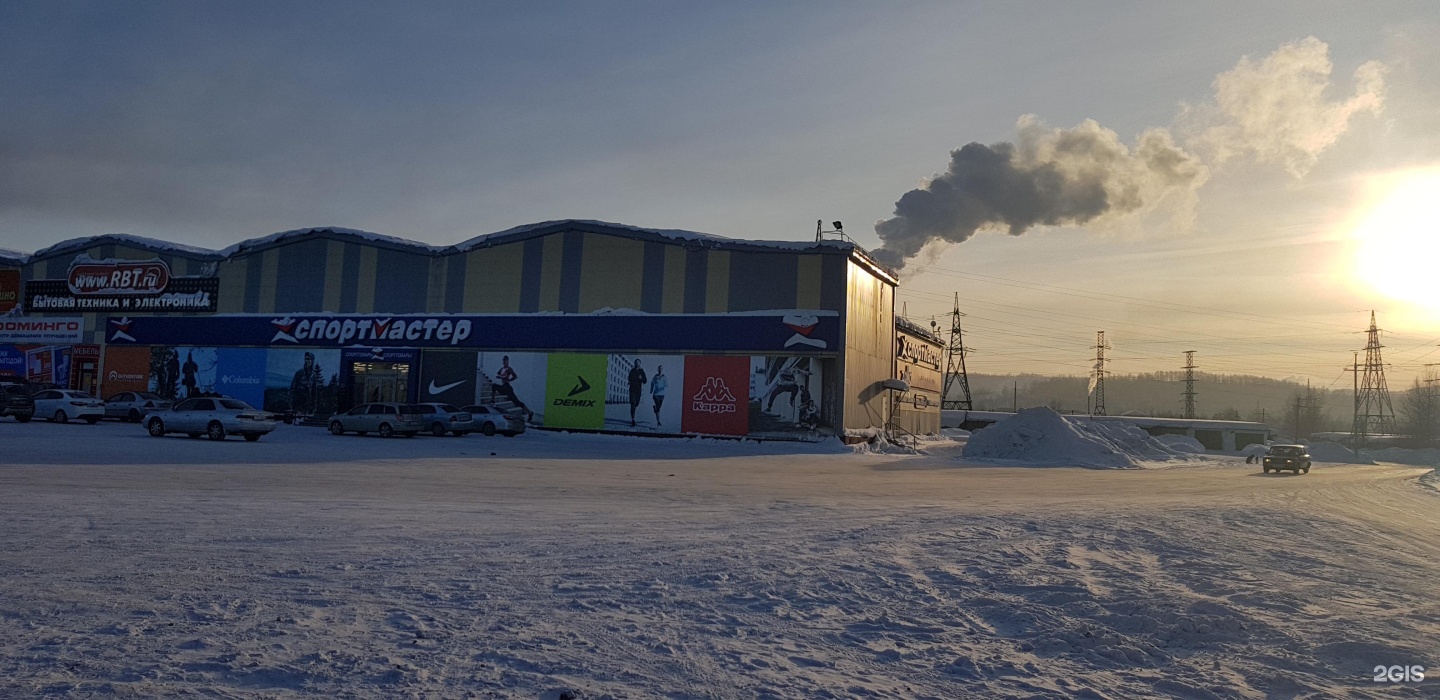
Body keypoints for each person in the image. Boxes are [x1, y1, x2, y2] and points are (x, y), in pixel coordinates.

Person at [493, 355, 531, 420]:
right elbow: (498, 374)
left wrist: (509, 380)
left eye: (505, 360)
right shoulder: (502, 369)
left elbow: (515, 376)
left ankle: (530, 412)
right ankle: (492, 400)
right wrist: (499, 376)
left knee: (516, 402)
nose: (504, 362)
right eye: (503, 360)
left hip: (507, 387)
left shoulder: (509, 369)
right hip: (503, 386)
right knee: (494, 386)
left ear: (507, 361)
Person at [627, 358, 647, 427]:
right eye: (636, 362)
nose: (637, 363)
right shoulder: (632, 371)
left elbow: (645, 381)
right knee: (633, 403)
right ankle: (633, 419)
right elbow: (629, 378)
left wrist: (641, 378)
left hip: (638, 390)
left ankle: (634, 409)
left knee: (636, 403)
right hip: (632, 389)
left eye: (638, 362)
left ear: (640, 364)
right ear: (634, 363)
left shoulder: (641, 371)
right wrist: (629, 381)